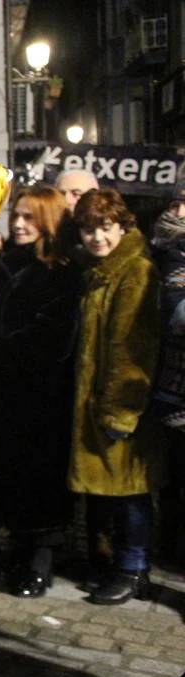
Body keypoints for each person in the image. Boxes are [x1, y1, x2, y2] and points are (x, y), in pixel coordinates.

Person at [0, 186, 83, 598]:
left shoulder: (61, 271)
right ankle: (20, 551)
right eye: (17, 215)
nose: (19, 224)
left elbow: (53, 338)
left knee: (40, 482)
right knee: (13, 479)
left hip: (42, 399)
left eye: (30, 217)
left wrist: (0, 351)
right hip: (6, 396)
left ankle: (40, 560)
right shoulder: (9, 263)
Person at [68, 188, 165, 604]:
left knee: (131, 492)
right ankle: (121, 565)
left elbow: (133, 346)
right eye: (88, 230)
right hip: (99, 405)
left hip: (123, 406)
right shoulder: (102, 271)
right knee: (115, 492)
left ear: (123, 226)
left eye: (105, 227)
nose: (97, 237)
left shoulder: (135, 270)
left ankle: (134, 569)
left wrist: (122, 411)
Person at [148, 193, 185, 565]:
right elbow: (178, 316)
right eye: (176, 202)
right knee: (173, 484)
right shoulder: (167, 256)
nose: (180, 211)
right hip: (173, 394)